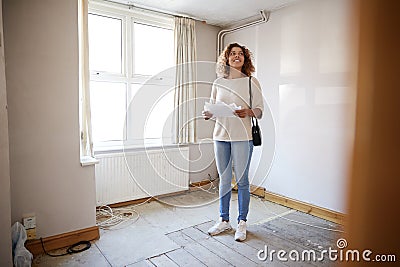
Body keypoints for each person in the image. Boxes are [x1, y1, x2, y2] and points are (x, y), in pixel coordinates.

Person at [202, 43, 264, 241]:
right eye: (233, 54)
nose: (236, 57)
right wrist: (208, 114)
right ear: (226, 58)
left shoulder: (251, 82)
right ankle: (224, 220)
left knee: (243, 181)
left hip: (242, 137)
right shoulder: (218, 82)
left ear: (245, 59)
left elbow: (260, 111)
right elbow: (212, 110)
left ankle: (242, 222)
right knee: (224, 180)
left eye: (240, 54)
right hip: (220, 136)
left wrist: (248, 111)